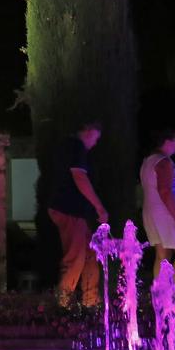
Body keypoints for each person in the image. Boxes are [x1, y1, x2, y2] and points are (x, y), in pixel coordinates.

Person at [46, 122, 109, 309]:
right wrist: (99, 207)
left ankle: (91, 302)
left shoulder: (68, 147)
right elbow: (80, 177)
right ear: (88, 131)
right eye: (96, 137)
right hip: (69, 210)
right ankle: (62, 306)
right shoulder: (76, 146)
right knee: (75, 258)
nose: (95, 143)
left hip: (72, 211)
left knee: (90, 254)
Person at [140, 129, 175, 287]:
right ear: (167, 141)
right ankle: (171, 295)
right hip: (167, 214)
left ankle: (160, 296)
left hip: (153, 212)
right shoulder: (163, 162)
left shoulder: (148, 161)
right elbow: (165, 190)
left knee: (163, 254)